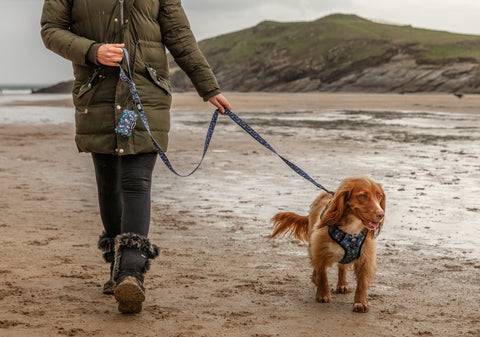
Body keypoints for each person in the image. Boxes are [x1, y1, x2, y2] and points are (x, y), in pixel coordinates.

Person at [40, 0, 232, 314]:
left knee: (136, 182)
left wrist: (209, 87)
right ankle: (116, 267)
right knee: (109, 185)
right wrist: (93, 51)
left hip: (147, 94)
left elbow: (180, 38)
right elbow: (51, 31)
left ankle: (131, 271)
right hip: (97, 95)